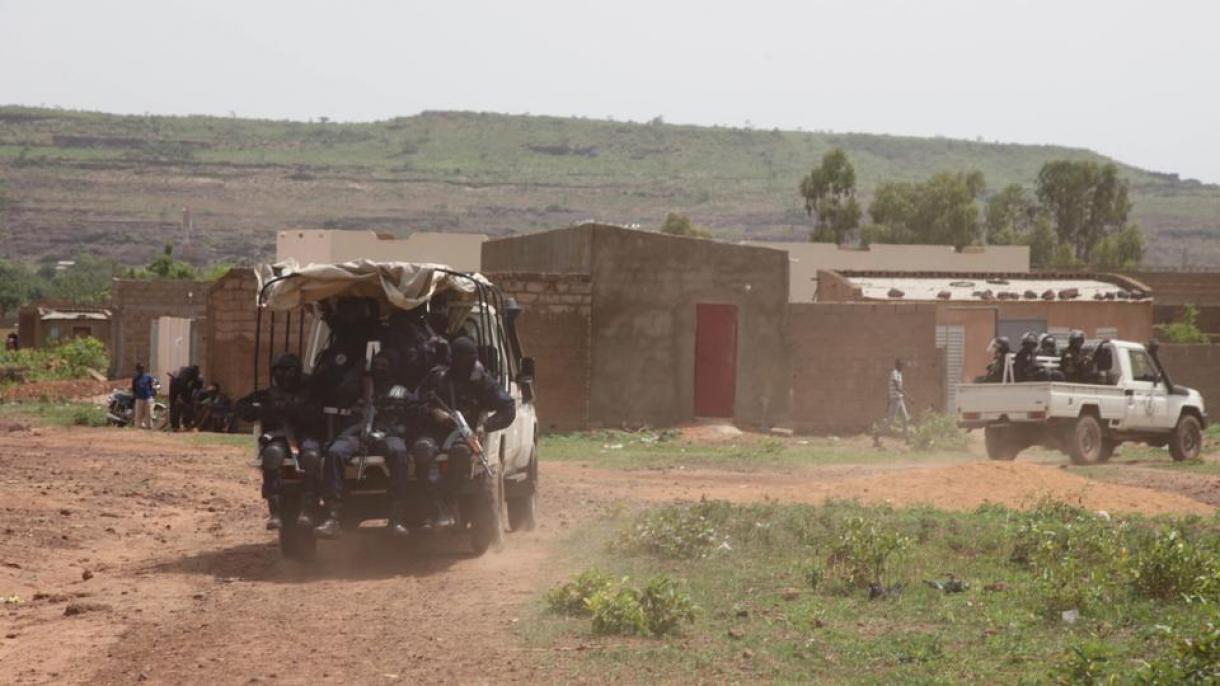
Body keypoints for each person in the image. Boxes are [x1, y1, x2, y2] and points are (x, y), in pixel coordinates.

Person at [413, 336, 516, 529]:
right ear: (452, 358)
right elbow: (416, 403)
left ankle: (449, 501)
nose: (467, 365)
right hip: (436, 431)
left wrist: (485, 426)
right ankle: (436, 506)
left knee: (461, 454)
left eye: (471, 359)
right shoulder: (438, 378)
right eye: (462, 359)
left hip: (465, 433)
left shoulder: (482, 381)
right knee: (422, 450)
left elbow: (508, 408)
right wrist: (434, 413)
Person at [314, 349, 418, 539]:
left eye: (384, 366)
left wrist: (385, 433)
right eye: (376, 366)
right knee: (335, 452)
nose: (380, 370)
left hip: (387, 435)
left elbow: (411, 421)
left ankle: (396, 518)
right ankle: (332, 517)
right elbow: (338, 396)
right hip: (357, 435)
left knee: (399, 451)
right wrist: (357, 375)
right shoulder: (356, 388)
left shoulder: (402, 392)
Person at [235, 353, 323, 531]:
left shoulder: (309, 393)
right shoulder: (269, 395)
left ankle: (308, 510)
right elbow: (241, 407)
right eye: (280, 371)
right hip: (279, 437)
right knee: (272, 455)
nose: (284, 376)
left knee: (312, 456)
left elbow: (315, 414)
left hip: (305, 436)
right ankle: (275, 513)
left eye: (289, 371)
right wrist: (263, 410)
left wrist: (293, 409)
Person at [168, 365, 203, 431]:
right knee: (186, 406)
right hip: (180, 384)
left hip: (174, 383)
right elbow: (188, 387)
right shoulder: (194, 372)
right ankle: (186, 424)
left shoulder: (184, 370)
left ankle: (175, 426)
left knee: (173, 405)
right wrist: (187, 397)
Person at [882, 358, 910, 439]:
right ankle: (878, 434)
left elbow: (892, 389)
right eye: (901, 365)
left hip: (900, 399)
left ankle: (906, 437)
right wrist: (909, 397)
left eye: (902, 365)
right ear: (897, 365)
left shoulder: (899, 374)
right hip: (895, 400)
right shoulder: (894, 373)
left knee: (905, 418)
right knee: (890, 420)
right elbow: (897, 387)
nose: (902, 367)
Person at [131, 363, 157, 430]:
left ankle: (149, 428)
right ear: (137, 370)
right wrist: (136, 396)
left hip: (148, 398)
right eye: (139, 368)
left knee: (149, 415)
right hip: (139, 399)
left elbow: (152, 387)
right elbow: (134, 389)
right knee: (138, 416)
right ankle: (138, 429)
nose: (141, 370)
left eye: (142, 368)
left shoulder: (148, 377)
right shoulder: (135, 378)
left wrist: (151, 395)